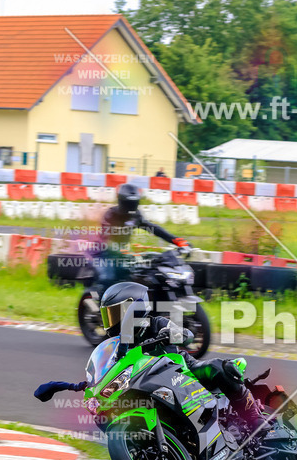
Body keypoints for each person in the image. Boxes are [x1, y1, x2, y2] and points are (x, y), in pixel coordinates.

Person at [34, 282, 266, 428]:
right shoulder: (113, 345)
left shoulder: (156, 323)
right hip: (152, 388)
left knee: (217, 368)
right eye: (108, 315)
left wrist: (174, 333)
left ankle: (256, 420)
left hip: (184, 372)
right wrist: (65, 385)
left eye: (116, 313)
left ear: (133, 308)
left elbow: (183, 335)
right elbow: (108, 372)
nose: (111, 321)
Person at [90, 183, 190, 295]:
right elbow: (105, 239)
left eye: (133, 203)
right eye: (128, 203)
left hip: (125, 254)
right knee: (108, 279)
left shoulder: (136, 215)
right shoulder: (111, 215)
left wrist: (176, 240)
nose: (131, 206)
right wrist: (119, 250)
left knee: (150, 273)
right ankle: (103, 307)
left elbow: (153, 228)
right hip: (106, 254)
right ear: (121, 201)